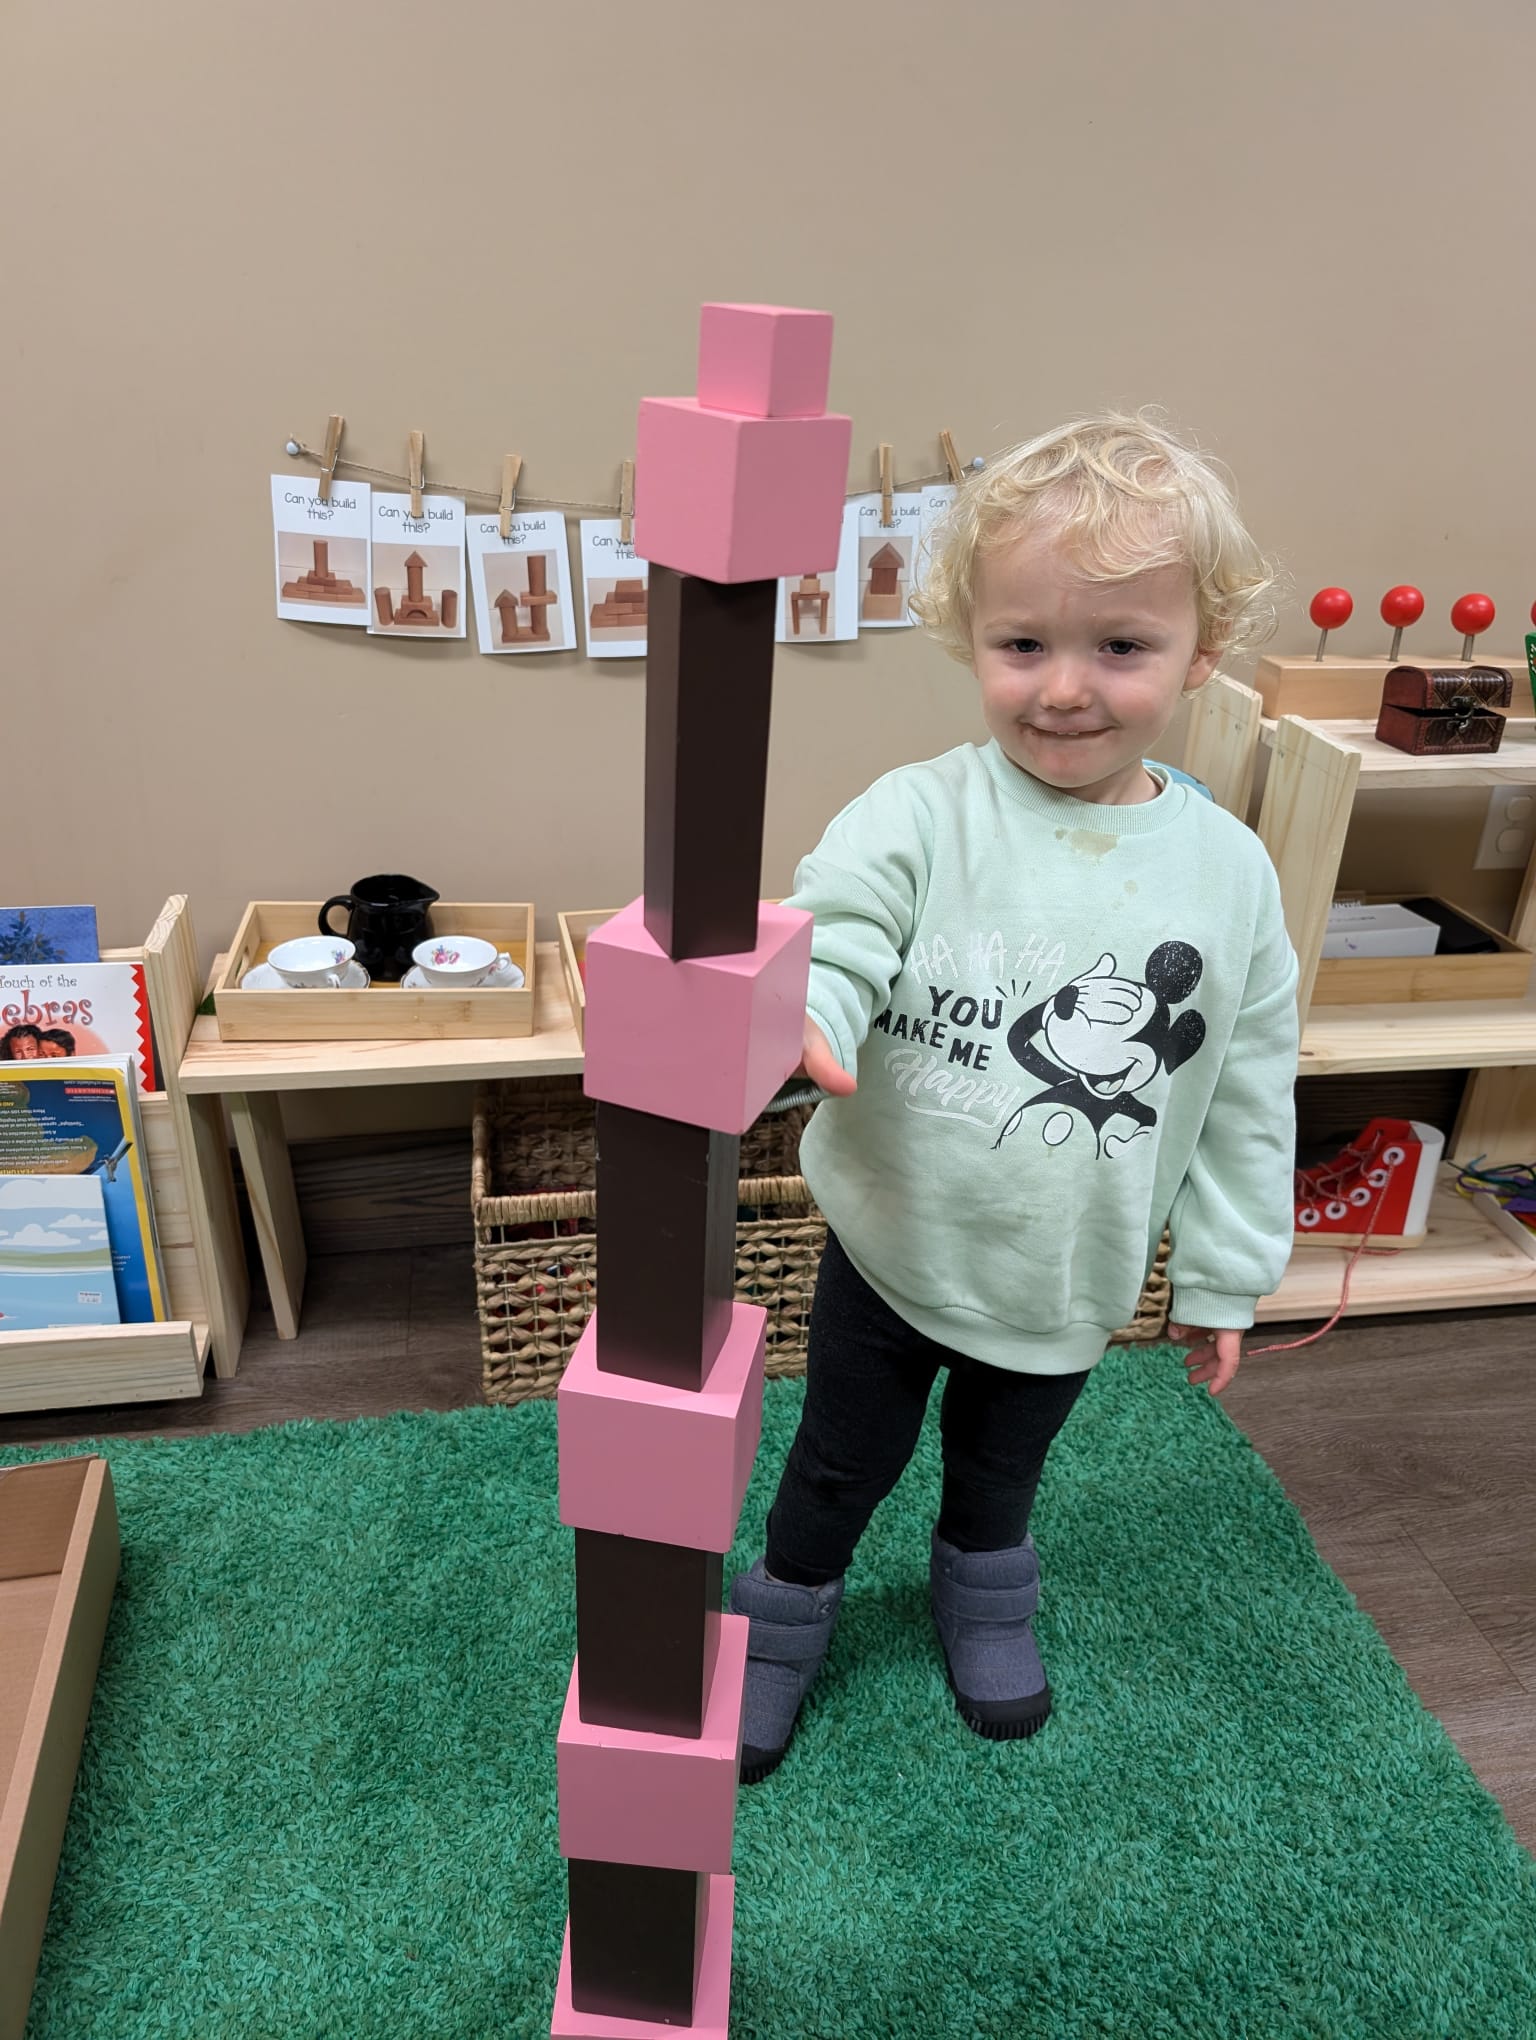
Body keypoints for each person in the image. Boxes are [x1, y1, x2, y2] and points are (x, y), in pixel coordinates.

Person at [729, 412, 1299, 1784]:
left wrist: (1225, 1274)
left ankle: (983, 1593)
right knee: (836, 1463)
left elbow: (1246, 1085)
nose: (1064, 690)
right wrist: (806, 1010)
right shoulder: (919, 813)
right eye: (1024, 644)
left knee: (1001, 1471)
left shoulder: (1230, 875)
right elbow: (842, 926)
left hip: (1064, 1270)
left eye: (1122, 647)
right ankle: (783, 1611)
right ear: (969, 638)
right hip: (896, 1239)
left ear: (1203, 652)